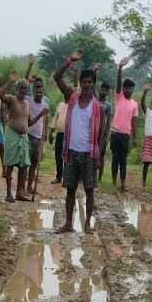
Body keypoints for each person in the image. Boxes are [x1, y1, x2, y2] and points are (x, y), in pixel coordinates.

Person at [53, 50, 106, 233]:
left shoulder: (98, 107)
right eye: (84, 81)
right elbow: (56, 77)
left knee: (89, 190)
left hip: (89, 154)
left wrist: (99, 157)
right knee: (70, 189)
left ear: (93, 84)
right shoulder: (72, 97)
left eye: (90, 82)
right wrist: (70, 60)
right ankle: (68, 223)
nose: (87, 85)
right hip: (71, 152)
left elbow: (101, 135)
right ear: (81, 83)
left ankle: (87, 224)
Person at [0, 72, 47, 202]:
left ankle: (20, 192)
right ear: (17, 89)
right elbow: (0, 95)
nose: (23, 91)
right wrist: (10, 82)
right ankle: (9, 194)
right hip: (12, 136)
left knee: (23, 166)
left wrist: (40, 115)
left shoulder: (26, 103)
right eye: (21, 88)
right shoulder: (11, 99)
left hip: (24, 137)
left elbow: (29, 122)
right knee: (10, 165)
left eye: (25, 89)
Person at [110, 57, 138, 192]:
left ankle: (123, 184)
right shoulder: (119, 97)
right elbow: (118, 83)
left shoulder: (134, 104)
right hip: (115, 134)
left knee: (123, 161)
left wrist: (134, 137)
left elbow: (134, 121)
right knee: (115, 159)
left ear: (132, 90)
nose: (128, 90)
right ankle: (113, 181)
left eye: (131, 88)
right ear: (124, 89)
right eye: (126, 88)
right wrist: (120, 69)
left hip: (126, 135)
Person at [27, 75, 50, 199]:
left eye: (41, 92)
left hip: (38, 137)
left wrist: (44, 134)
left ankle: (30, 187)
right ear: (34, 92)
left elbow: (45, 121)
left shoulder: (45, 105)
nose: (39, 94)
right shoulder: (29, 102)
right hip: (28, 135)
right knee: (26, 162)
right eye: (37, 92)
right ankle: (23, 187)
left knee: (35, 162)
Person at [97, 80, 112, 184]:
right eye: (103, 89)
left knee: (101, 156)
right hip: (92, 132)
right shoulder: (93, 100)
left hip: (102, 134)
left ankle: (100, 178)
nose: (104, 91)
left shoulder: (108, 105)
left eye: (106, 90)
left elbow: (108, 121)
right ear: (100, 89)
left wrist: (106, 135)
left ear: (108, 92)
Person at [50, 96, 68, 184]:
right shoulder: (60, 105)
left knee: (67, 157)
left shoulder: (73, 105)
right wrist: (51, 132)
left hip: (69, 135)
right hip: (59, 134)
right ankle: (58, 176)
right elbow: (55, 118)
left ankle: (66, 178)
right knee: (58, 155)